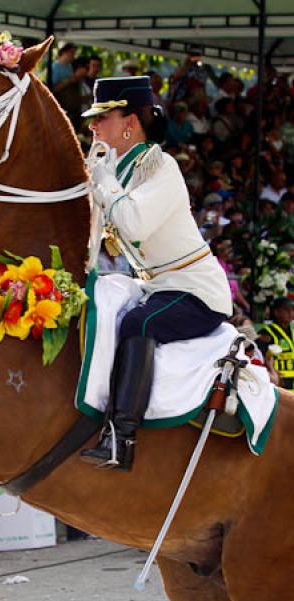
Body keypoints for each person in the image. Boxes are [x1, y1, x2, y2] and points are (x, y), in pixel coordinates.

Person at [80, 76, 232, 470]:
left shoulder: (160, 166)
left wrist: (105, 184)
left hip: (195, 292)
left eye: (102, 118)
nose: (93, 127)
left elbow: (132, 225)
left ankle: (121, 438)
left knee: (138, 324)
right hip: (157, 286)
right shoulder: (113, 170)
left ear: (130, 122)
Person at [256, 297, 294, 391]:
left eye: (292, 309)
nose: (291, 313)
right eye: (286, 310)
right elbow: (260, 358)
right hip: (279, 382)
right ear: (276, 312)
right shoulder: (266, 333)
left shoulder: (293, 330)